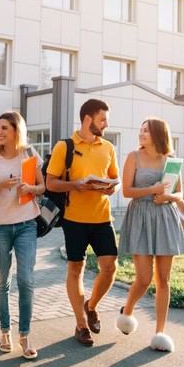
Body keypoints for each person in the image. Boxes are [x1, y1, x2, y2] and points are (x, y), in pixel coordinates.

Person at [46, 99, 120, 347]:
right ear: (88, 119)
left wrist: (109, 188)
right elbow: (51, 183)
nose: (106, 123)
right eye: (103, 119)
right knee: (75, 270)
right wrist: (75, 185)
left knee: (110, 267)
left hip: (102, 217)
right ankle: (80, 325)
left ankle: (91, 306)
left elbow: (113, 178)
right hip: (74, 219)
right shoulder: (64, 147)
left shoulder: (108, 147)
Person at [115, 117, 184, 352]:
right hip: (141, 218)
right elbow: (127, 191)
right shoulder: (133, 157)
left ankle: (160, 332)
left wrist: (167, 196)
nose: (141, 134)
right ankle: (127, 311)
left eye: (146, 131)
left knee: (164, 280)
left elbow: (179, 193)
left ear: (158, 134)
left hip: (166, 219)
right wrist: (153, 190)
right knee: (144, 278)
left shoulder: (171, 161)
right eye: (140, 130)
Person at [0, 111, 45, 360]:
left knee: (26, 280)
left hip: (26, 224)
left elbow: (43, 186)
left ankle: (25, 334)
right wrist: (2, 186)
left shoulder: (29, 154)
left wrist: (31, 188)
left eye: (4, 128)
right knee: (1, 281)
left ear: (16, 130)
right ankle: (5, 331)